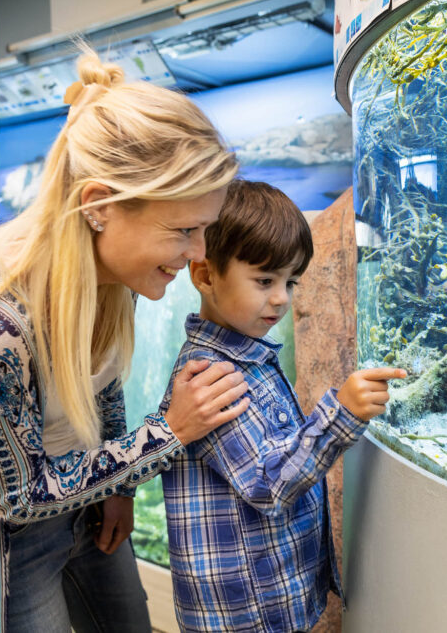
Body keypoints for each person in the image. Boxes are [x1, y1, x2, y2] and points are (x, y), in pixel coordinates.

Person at [0, 48, 253, 633]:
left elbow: (101, 387)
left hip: (89, 506)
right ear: (98, 206)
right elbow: (16, 497)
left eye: (204, 230)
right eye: (183, 231)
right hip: (5, 543)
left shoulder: (108, 277)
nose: (198, 254)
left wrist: (114, 493)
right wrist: (168, 433)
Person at [159, 180, 406, 632]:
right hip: (246, 616)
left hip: (275, 599)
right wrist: (341, 415)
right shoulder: (210, 377)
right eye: (264, 280)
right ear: (206, 275)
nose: (281, 299)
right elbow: (267, 485)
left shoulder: (251, 355)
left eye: (290, 282)